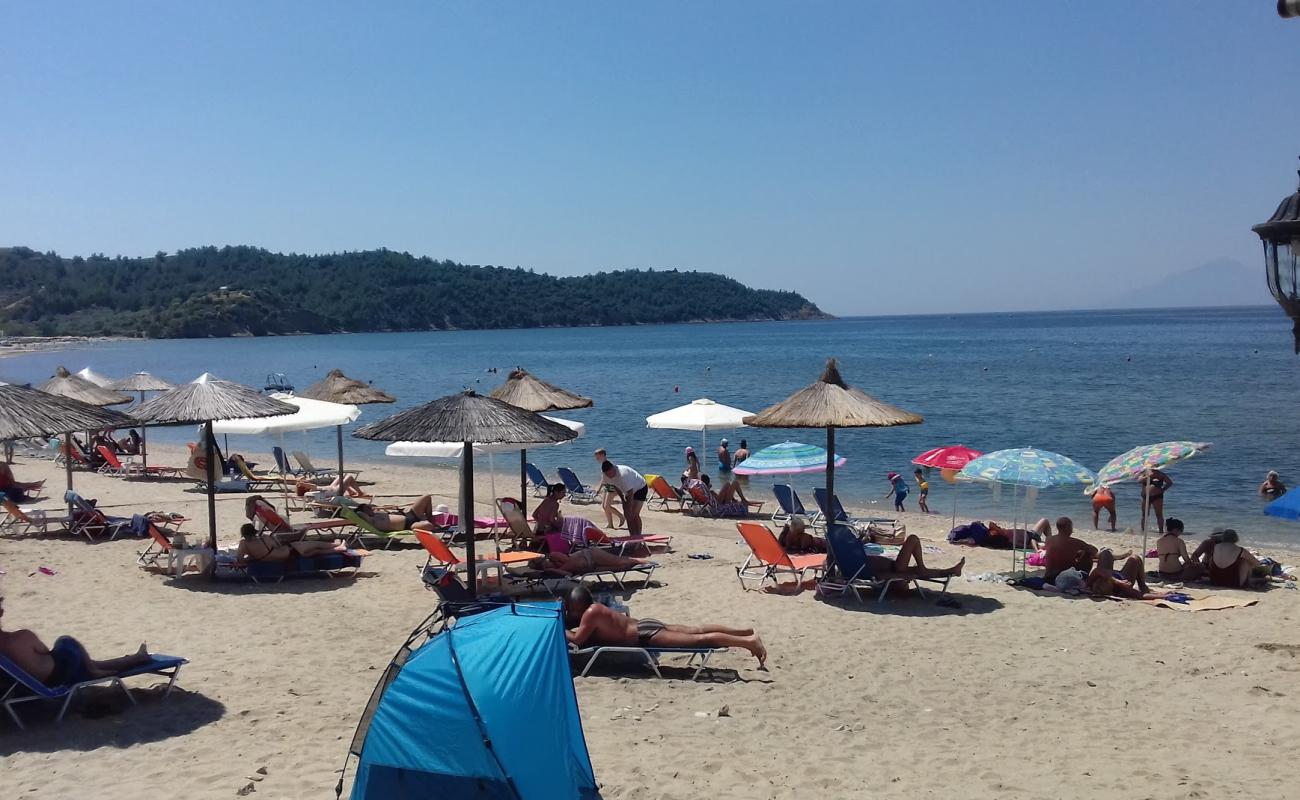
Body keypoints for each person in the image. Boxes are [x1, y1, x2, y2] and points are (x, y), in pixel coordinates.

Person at [563, 585, 766, 667]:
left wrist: (561, 630)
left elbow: (578, 639)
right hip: (644, 624)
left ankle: (748, 642)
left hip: (644, 635)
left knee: (699, 639)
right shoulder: (597, 607)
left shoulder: (589, 614)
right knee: (696, 629)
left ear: (578, 605)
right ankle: (744, 631)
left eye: (572, 608)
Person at [0, 595, 155, 687]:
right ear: (1, 613)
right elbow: (46, 651)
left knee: (92, 663)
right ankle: (95, 670)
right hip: (59, 674)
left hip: (28, 686)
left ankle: (136, 659)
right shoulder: (21, 638)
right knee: (65, 640)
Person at [864, 534, 965, 580]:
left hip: (892, 567)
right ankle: (922, 567)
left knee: (916, 571)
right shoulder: (856, 564)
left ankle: (952, 571)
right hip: (894, 569)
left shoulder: (851, 562)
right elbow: (879, 575)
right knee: (913, 539)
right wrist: (900, 576)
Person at [236, 523, 349, 562]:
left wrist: (253, 557)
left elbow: (240, 559)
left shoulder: (243, 544)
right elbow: (277, 545)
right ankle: (336, 545)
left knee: (316, 551)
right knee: (315, 544)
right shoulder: (263, 538)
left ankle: (338, 547)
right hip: (290, 552)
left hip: (275, 558)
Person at [1087, 549, 1170, 600]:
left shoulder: (1095, 581)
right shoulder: (1123, 588)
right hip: (1123, 576)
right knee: (1135, 558)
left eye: (1102, 579)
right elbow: (1141, 595)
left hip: (1113, 574)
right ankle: (1143, 585)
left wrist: (1114, 579)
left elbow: (1097, 571)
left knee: (1105, 553)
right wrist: (1162, 596)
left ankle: (1117, 556)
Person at [598, 460, 647, 537]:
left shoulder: (623, 474)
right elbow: (616, 487)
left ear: (613, 468)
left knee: (634, 514)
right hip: (627, 491)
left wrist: (629, 507)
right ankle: (632, 536)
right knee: (627, 515)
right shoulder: (605, 476)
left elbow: (630, 492)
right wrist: (623, 501)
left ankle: (638, 536)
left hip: (640, 488)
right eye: (607, 474)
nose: (610, 476)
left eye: (610, 473)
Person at [1042, 517, 1099, 583]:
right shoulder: (1076, 542)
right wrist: (1083, 552)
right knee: (1088, 555)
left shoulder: (1048, 539)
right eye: (1071, 527)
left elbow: (1062, 550)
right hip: (1064, 577)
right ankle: (1085, 578)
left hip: (1049, 576)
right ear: (1067, 528)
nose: (1072, 530)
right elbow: (1094, 550)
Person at [593, 448, 624, 529]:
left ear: (603, 455)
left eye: (598, 457)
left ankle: (621, 516)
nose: (596, 459)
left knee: (607, 506)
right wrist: (599, 488)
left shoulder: (607, 464)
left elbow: (611, 477)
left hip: (613, 486)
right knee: (604, 506)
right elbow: (603, 478)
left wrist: (599, 488)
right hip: (608, 486)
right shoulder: (604, 464)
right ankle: (610, 524)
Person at [1138, 468, 1173, 533]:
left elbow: (1170, 483)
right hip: (1145, 497)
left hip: (1157, 497)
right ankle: (1143, 530)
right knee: (1145, 514)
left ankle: (1161, 531)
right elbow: (1139, 480)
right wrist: (1148, 476)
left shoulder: (1160, 474)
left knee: (1159, 514)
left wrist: (1163, 489)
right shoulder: (1144, 473)